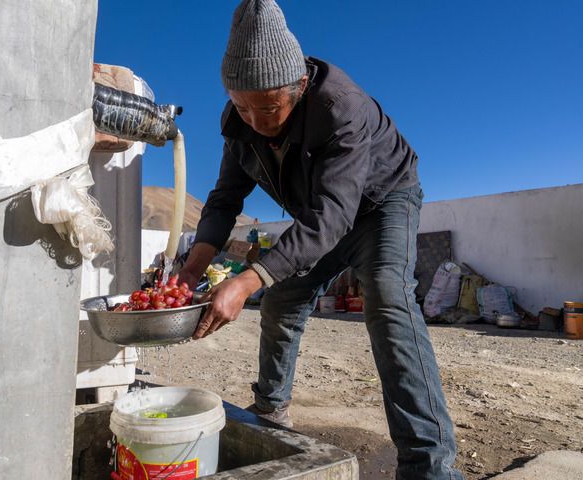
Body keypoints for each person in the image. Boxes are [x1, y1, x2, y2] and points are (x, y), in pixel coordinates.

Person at [177, 1, 463, 478]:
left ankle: (429, 466)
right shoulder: (239, 125)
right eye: (242, 106)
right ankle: (270, 410)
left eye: (268, 108)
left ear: (299, 86)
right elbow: (225, 200)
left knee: (388, 299)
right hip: (321, 215)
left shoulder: (341, 107)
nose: (255, 121)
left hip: (382, 204)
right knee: (282, 298)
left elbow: (333, 213)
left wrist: (245, 281)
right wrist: (193, 267)